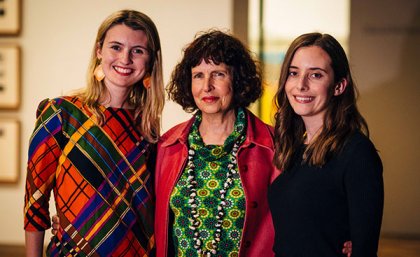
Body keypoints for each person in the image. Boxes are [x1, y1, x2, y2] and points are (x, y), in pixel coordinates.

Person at [23, 9, 164, 257]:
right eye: (116, 47)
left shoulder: (148, 126)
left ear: (150, 60)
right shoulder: (60, 113)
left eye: (138, 51)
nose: (125, 59)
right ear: (99, 50)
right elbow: (35, 201)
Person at [154, 30, 280, 257]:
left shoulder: (273, 146)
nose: (207, 86)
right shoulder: (167, 146)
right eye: (198, 75)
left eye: (218, 74)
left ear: (238, 79)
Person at [268, 32, 384, 256]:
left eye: (316, 75)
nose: (301, 85)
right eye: (294, 73)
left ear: (339, 86)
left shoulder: (356, 153)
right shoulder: (294, 148)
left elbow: (365, 250)